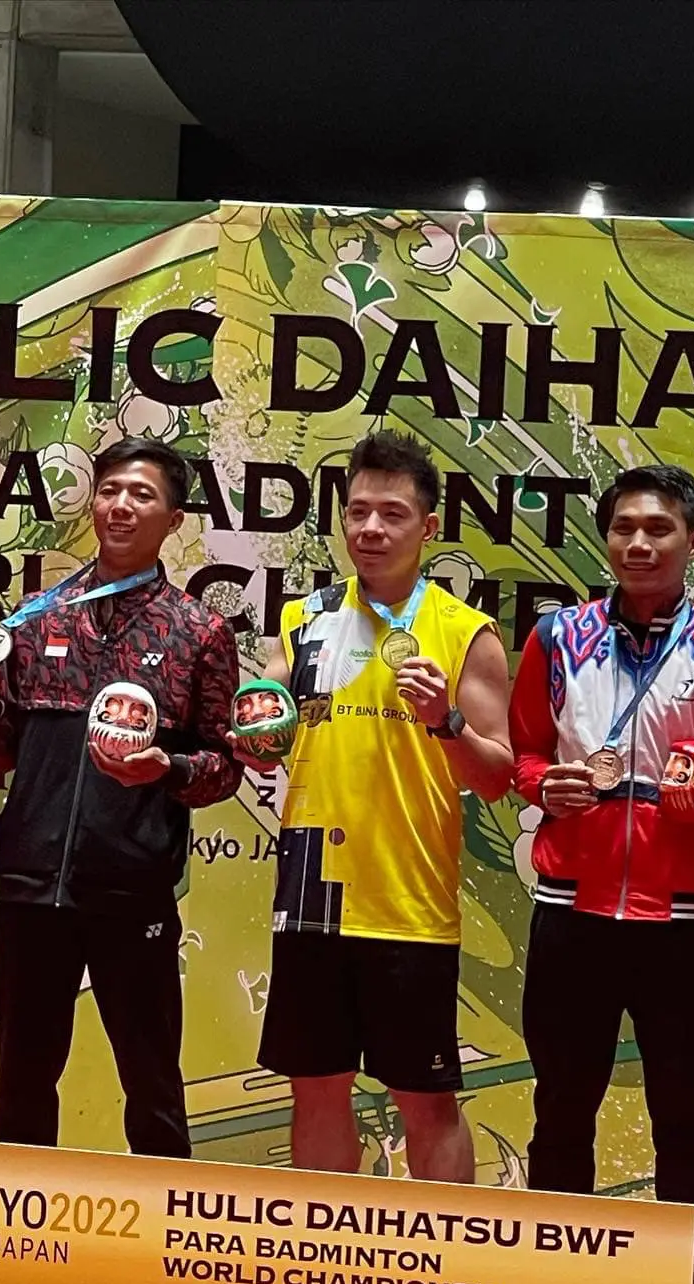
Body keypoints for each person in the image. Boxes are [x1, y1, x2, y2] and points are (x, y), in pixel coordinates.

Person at [508, 465, 694, 1284]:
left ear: (693, 541)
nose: (639, 543)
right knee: (560, 1107)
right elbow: (526, 751)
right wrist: (546, 785)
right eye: (623, 527)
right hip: (571, 911)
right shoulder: (557, 634)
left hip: (680, 919)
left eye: (659, 528)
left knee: (681, 1119)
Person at [0, 436, 241, 1159]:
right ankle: (16, 1218)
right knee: (22, 1083)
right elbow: (3, 754)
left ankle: (164, 1221)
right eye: (110, 490)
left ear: (174, 519)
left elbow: (225, 766)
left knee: (152, 1084)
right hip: (30, 889)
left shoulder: (198, 632)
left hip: (132, 894)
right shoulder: (36, 619)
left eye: (142, 494)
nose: (121, 506)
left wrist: (167, 770)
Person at [242, 429, 512, 1181]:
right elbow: (265, 731)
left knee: (426, 1100)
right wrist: (251, 736)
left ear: (428, 527)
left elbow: (498, 776)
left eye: (392, 514)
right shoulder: (303, 619)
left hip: (407, 903)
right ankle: (319, 1248)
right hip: (311, 898)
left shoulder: (465, 633)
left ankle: (443, 1250)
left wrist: (445, 721)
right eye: (358, 511)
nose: (371, 528)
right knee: (315, 1090)